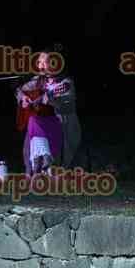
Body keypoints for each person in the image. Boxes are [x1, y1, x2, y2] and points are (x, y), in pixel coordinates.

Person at [15, 47, 82, 176]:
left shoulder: (65, 83)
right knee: (34, 122)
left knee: (35, 123)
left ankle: (46, 166)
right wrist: (23, 98)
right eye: (39, 62)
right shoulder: (38, 80)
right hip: (43, 124)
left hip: (62, 123)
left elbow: (68, 107)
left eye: (44, 62)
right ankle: (36, 168)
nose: (40, 66)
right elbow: (20, 90)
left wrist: (51, 100)